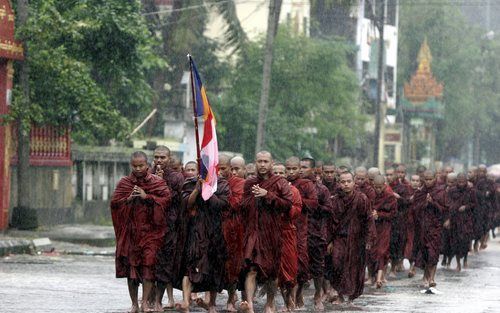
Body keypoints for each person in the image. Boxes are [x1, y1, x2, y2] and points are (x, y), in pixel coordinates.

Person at [110, 151, 171, 313]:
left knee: (148, 265)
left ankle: (145, 302)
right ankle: (134, 304)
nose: (138, 169)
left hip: (151, 232)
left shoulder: (156, 182)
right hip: (131, 233)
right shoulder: (125, 183)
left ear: (147, 165)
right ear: (131, 165)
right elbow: (115, 203)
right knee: (131, 268)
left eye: (141, 166)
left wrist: (147, 197)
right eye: (135, 166)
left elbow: (166, 200)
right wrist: (128, 199)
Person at [240, 151, 293, 313]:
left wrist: (267, 195)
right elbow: (242, 205)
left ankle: (270, 304)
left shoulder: (280, 183)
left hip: (272, 233)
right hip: (253, 232)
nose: (262, 165)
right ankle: (249, 304)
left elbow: (287, 204)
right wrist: (254, 198)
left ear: (272, 163)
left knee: (272, 272)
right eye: (259, 161)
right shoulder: (250, 183)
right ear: (255, 163)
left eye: (265, 161)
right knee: (251, 269)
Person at [175, 169, 230, 313]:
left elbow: (221, 205)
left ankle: (211, 304)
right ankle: (186, 302)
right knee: (190, 265)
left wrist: (207, 189)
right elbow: (187, 203)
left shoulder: (222, 184)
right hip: (194, 230)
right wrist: (197, 188)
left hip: (214, 231)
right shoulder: (191, 183)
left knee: (214, 267)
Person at [327, 172, 376, 304]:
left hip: (357, 239)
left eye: (349, 181)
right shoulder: (335, 200)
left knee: (353, 267)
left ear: (354, 182)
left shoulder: (362, 199)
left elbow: (368, 220)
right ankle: (339, 293)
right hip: (339, 238)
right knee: (337, 264)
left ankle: (348, 296)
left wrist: (369, 239)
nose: (346, 184)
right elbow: (331, 222)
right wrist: (330, 241)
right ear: (339, 183)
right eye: (343, 182)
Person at [152, 146, 185, 311]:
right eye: (156, 157)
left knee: (165, 264)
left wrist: (161, 184)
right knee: (148, 263)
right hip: (149, 226)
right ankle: (147, 300)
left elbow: (179, 201)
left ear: (169, 158)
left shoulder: (177, 177)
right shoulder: (146, 174)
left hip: (170, 225)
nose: (159, 161)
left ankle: (158, 300)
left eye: (162, 157)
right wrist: (152, 181)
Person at [285, 156, 318, 309]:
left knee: (300, 265)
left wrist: (295, 199)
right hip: (284, 229)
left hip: (301, 230)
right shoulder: (281, 182)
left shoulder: (306, 185)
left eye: (294, 169)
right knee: (286, 265)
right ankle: (289, 299)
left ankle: (297, 295)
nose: (291, 172)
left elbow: (313, 204)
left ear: (299, 169)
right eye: (288, 169)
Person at [301, 157, 333, 311]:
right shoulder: (294, 186)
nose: (301, 170)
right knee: (299, 265)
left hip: (316, 232)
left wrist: (313, 205)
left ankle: (318, 294)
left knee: (317, 267)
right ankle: (297, 295)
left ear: (313, 170)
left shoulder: (321, 189)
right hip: (299, 231)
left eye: (305, 167)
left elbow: (328, 209)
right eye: (300, 166)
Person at [218, 154, 245, 312]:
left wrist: (218, 197)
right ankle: (212, 299)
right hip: (215, 227)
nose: (220, 172)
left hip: (235, 228)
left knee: (233, 265)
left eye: (224, 168)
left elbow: (235, 203)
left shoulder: (239, 183)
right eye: (218, 168)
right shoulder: (213, 182)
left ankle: (231, 299)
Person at [273, 163, 301, 311]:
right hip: (271, 233)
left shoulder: (293, 191)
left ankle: (292, 299)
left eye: (281, 172)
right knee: (277, 271)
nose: (278, 175)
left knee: (290, 269)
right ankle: (286, 303)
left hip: (287, 232)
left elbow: (297, 211)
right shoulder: (267, 190)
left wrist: (284, 204)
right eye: (275, 172)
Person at [412, 170, 447, 288]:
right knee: (425, 253)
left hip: (435, 227)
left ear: (435, 179)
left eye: (430, 179)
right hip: (422, 227)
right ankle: (426, 275)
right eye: (426, 179)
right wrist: (424, 204)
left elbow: (445, 209)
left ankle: (432, 278)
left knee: (433, 252)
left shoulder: (440, 192)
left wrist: (433, 203)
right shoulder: (419, 193)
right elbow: (414, 209)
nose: (428, 182)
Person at [368, 175, 396, 288]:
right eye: (376, 187)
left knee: (381, 251)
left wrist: (379, 215)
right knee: (372, 252)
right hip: (373, 228)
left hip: (385, 227)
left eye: (380, 187)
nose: (378, 190)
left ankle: (379, 279)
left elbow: (393, 214)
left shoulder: (390, 196)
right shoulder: (371, 195)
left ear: (384, 185)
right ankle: (375, 276)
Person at [447, 173, 476, 271]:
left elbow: (474, 204)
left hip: (467, 220)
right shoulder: (452, 191)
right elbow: (448, 204)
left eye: (463, 182)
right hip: (455, 219)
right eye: (459, 182)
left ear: (466, 181)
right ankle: (458, 263)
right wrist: (449, 218)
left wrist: (466, 207)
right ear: (456, 181)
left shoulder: (471, 191)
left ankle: (465, 259)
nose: (461, 184)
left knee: (465, 241)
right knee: (456, 242)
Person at [388, 165, 413, 275]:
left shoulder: (406, 187)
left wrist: (399, 198)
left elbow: (408, 202)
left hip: (402, 218)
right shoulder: (386, 186)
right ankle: (391, 266)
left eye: (402, 173)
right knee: (391, 243)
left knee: (400, 241)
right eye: (398, 172)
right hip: (390, 218)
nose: (400, 175)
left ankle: (398, 263)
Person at [441, 173, 457, 268]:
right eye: (448, 182)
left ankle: (449, 260)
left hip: (454, 219)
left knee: (452, 241)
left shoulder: (457, 192)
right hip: (443, 218)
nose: (450, 184)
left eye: (452, 182)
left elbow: (455, 207)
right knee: (444, 241)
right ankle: (444, 258)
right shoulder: (443, 189)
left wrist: (450, 219)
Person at [406, 175, 421, 278]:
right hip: (408, 224)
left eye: (417, 181)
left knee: (417, 245)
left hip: (420, 224)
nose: (415, 182)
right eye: (413, 180)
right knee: (409, 245)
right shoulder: (406, 191)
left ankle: (413, 267)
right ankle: (411, 264)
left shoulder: (423, 193)